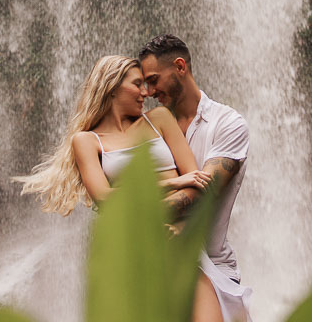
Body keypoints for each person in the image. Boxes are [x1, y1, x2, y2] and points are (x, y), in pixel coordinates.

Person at [139, 33, 283, 322]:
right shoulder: (150, 127)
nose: (148, 90)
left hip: (215, 260)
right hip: (167, 265)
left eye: (154, 79)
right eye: (142, 83)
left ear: (180, 66)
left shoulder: (227, 124)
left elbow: (200, 197)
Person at [15, 54, 210, 220]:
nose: (145, 92)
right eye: (137, 84)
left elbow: (195, 179)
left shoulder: (159, 118)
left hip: (178, 227)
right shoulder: (86, 141)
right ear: (112, 87)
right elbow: (105, 199)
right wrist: (174, 183)